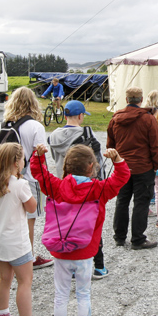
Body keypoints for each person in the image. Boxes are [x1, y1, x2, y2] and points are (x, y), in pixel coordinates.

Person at [30, 143, 130, 316]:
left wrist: (38, 156)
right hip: (85, 252)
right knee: (83, 294)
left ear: (66, 165)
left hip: (60, 250)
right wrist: (117, 160)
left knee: (61, 294)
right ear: (92, 167)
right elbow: (122, 178)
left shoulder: (56, 187)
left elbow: (39, 173)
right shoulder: (98, 189)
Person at [0, 143, 52, 316]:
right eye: (23, 159)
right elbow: (32, 208)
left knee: (5, 279)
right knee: (25, 281)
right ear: (16, 163)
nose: (24, 162)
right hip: (17, 242)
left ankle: (2, 315)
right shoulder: (19, 184)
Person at [46, 100, 108, 279]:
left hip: (64, 186)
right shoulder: (86, 133)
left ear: (65, 115)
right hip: (85, 187)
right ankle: (99, 265)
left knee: (69, 226)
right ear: (80, 116)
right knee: (90, 225)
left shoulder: (54, 136)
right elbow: (96, 161)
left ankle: (71, 266)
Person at [3, 86, 52, 269]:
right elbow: (40, 153)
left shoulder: (5, 124)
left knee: (14, 217)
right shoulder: (35, 126)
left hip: (9, 177)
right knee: (29, 219)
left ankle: (13, 254)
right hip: (30, 177)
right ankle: (28, 258)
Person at [106, 86, 158, 250]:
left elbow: (110, 145)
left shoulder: (115, 118)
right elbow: (155, 145)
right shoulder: (148, 119)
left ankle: (120, 236)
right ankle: (137, 238)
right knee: (141, 202)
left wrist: (116, 161)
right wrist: (156, 165)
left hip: (122, 166)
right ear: (141, 100)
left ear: (126, 99)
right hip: (143, 166)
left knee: (122, 201)